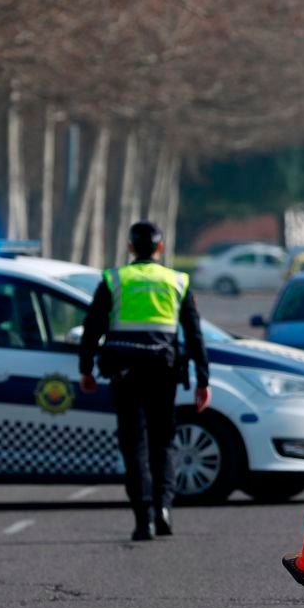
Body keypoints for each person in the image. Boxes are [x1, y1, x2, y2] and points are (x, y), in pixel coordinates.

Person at [79, 221, 211, 541]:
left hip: (125, 374)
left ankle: (143, 519)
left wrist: (86, 368)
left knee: (134, 445)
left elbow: (92, 327)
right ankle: (163, 509)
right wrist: (202, 380)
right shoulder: (176, 281)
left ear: (130, 247)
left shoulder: (114, 279)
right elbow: (194, 335)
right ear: (160, 248)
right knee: (162, 443)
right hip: (163, 372)